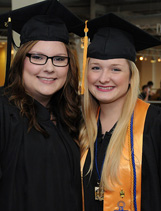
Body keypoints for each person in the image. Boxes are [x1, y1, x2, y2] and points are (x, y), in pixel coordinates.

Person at [0, 1, 83, 210]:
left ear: (69, 66)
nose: (49, 68)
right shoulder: (3, 112)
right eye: (37, 57)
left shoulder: (70, 117)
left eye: (58, 59)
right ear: (20, 61)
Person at [79, 13, 161, 211]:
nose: (104, 78)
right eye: (96, 67)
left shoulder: (154, 124)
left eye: (115, 69)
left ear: (131, 76)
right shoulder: (79, 125)